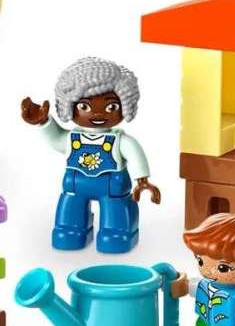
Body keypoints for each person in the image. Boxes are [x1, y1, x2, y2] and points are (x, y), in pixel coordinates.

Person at [21, 57, 160, 254]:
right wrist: (44, 122)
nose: (97, 114)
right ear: (69, 106)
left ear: (125, 106)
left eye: (111, 107)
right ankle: (70, 231)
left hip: (112, 187)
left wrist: (142, 181)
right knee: (70, 213)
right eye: (84, 107)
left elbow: (135, 154)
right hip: (76, 184)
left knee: (116, 217)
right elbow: (56, 139)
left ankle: (117, 234)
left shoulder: (120, 140)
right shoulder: (72, 137)